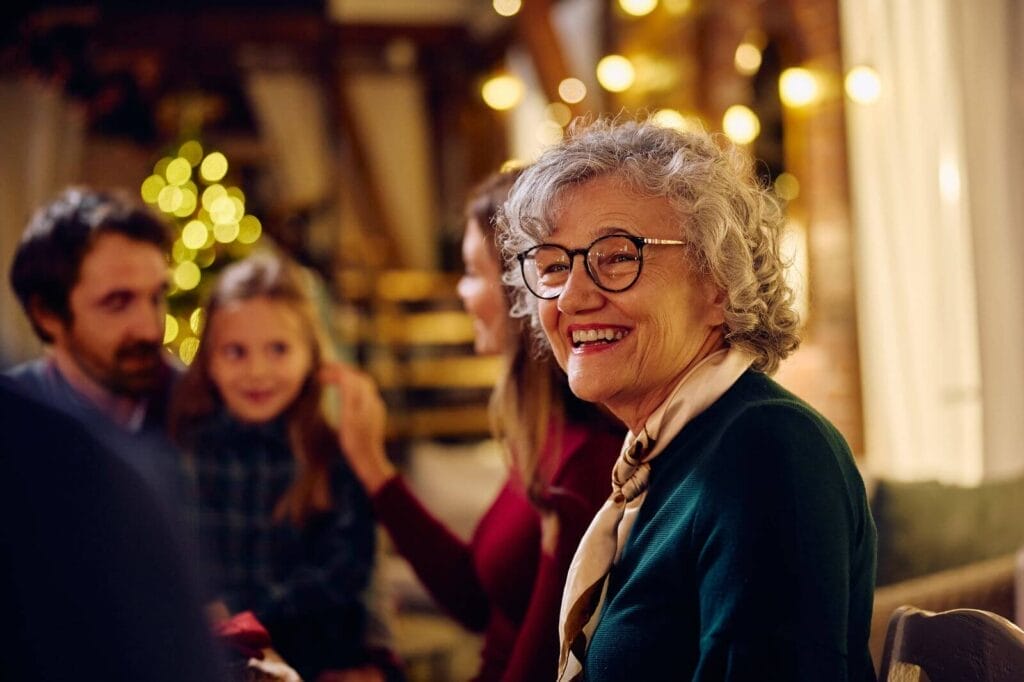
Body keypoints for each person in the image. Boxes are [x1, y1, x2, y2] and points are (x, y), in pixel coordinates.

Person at [497, 119, 877, 681]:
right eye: (553, 265)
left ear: (720, 286)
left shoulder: (767, 451)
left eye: (618, 256)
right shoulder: (665, 460)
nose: (572, 296)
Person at [323, 169, 625, 681]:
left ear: (518, 286)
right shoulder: (545, 438)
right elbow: (480, 604)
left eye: (470, 271)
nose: (462, 292)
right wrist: (373, 468)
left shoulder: (583, 464)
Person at [169, 252, 393, 682]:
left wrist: (240, 609)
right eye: (235, 352)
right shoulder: (185, 450)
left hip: (319, 663)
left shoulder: (332, 451)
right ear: (209, 361)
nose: (257, 371)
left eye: (278, 349)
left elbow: (347, 571)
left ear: (311, 355)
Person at [0, 376, 225, 682]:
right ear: (47, 324)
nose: (149, 330)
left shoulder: (178, 403)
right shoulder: (37, 437)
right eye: (113, 322)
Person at [5, 186, 186, 517]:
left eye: (157, 298)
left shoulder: (201, 411)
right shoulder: (12, 422)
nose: (151, 329)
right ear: (47, 314)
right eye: (118, 303)